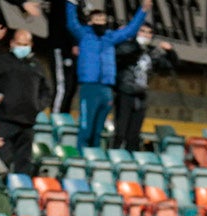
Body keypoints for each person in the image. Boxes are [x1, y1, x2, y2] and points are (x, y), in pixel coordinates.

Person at [66, 0, 149, 148]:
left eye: (103, 20)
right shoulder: (84, 35)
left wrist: (143, 11)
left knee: (98, 130)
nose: (101, 23)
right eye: (97, 20)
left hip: (106, 88)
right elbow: (71, 22)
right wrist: (71, 3)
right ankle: (81, 159)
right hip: (89, 86)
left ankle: (95, 162)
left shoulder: (110, 38)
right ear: (90, 22)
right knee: (86, 128)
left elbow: (130, 30)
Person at [0, 29, 51, 174]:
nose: (22, 47)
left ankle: (21, 189)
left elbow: (47, 90)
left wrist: (38, 105)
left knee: (24, 162)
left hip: (28, 122)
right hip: (5, 120)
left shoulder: (37, 65)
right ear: (12, 43)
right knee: (2, 160)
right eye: (19, 43)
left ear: (31, 45)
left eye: (25, 44)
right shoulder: (0, 61)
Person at [112, 22, 177, 151]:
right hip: (125, 92)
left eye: (149, 32)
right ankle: (115, 155)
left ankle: (130, 162)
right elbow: (119, 53)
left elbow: (170, 65)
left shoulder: (151, 52)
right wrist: (136, 43)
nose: (145, 35)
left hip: (141, 95)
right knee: (120, 131)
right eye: (142, 31)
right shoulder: (127, 46)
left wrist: (171, 52)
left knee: (134, 135)